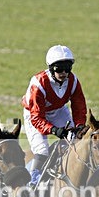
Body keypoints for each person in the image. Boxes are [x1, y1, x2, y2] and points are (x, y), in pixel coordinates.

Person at [21, 44, 87, 185]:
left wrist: (80, 125)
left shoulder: (73, 81)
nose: (63, 73)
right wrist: (53, 129)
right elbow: (37, 118)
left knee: (74, 141)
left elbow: (79, 107)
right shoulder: (38, 83)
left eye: (67, 68)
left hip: (58, 110)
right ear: (51, 68)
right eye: (59, 69)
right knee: (42, 150)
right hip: (34, 114)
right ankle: (32, 183)